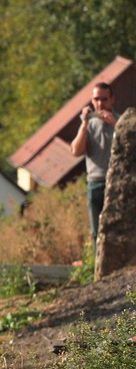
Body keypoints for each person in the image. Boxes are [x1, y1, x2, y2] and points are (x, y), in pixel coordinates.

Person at [70, 82, 118, 246]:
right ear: (91, 101)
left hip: (117, 183)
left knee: (117, 230)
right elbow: (76, 151)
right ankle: (97, 269)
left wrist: (115, 125)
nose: (100, 103)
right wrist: (84, 125)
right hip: (95, 183)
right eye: (96, 99)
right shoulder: (88, 124)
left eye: (104, 99)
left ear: (112, 100)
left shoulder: (121, 121)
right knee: (96, 233)